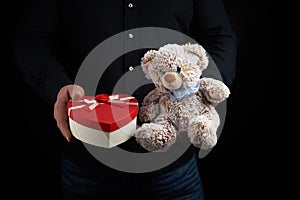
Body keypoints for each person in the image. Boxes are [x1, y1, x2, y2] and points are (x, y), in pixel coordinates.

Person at [13, 0, 238, 199]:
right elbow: (31, 39)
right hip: (87, 166)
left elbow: (221, 37)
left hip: (174, 171)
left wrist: (199, 93)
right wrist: (57, 86)